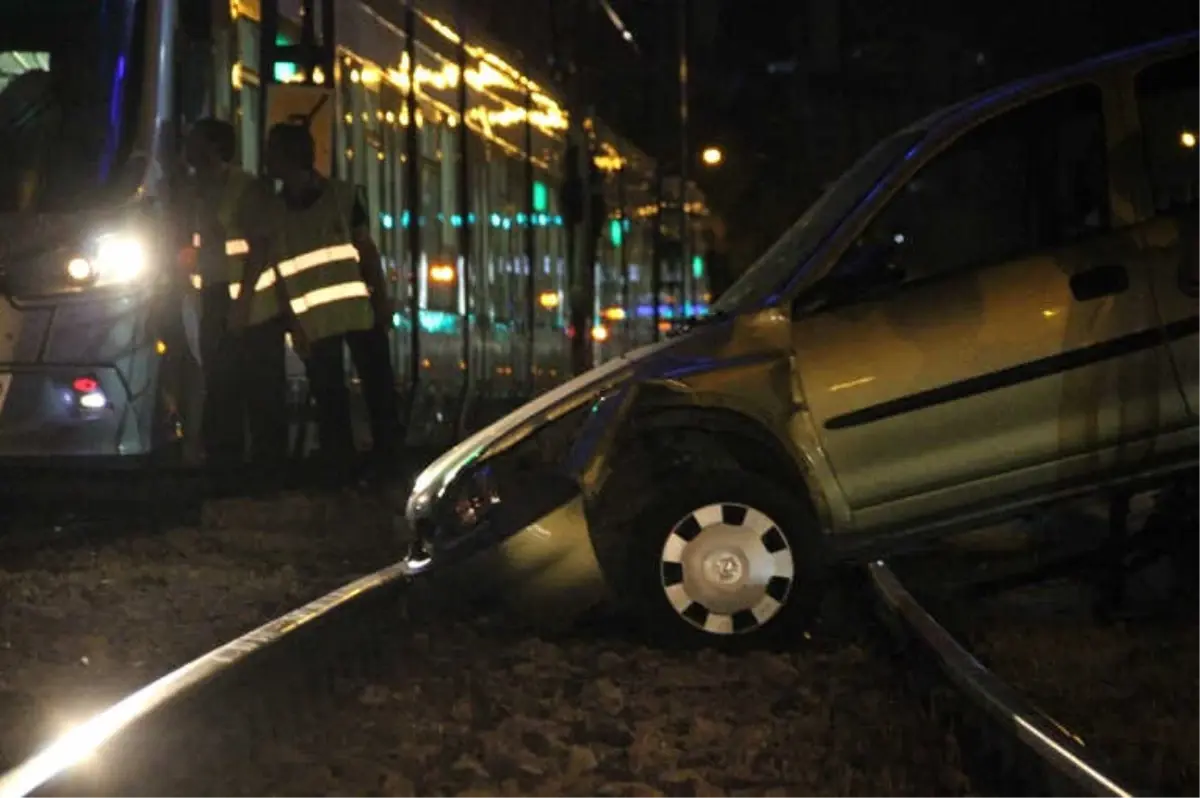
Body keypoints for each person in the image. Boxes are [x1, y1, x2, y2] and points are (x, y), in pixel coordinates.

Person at [247, 121, 402, 488]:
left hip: (354, 317)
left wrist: (381, 303)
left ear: (289, 158)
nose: (266, 161)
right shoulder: (278, 210)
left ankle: (381, 465)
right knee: (334, 398)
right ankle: (345, 468)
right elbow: (280, 273)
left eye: (273, 153)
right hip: (320, 323)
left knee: (374, 393)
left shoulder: (343, 197)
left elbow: (367, 255)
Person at [181, 118, 256, 470]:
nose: (187, 150)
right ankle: (214, 451)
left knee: (228, 376)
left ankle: (228, 456)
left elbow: (259, 245)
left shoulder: (241, 186)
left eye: (195, 142)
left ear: (213, 147)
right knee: (211, 373)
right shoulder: (190, 189)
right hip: (204, 293)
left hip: (235, 295)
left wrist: (242, 302)